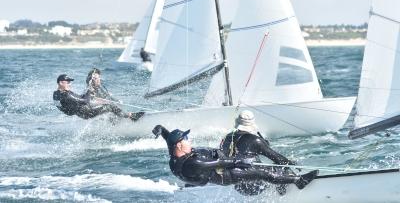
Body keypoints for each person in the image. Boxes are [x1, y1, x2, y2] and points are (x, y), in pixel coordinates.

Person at [152, 125, 318, 193]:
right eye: (186, 140)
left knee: (255, 169)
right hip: (225, 174)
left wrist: (162, 129)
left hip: (215, 169)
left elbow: (168, 138)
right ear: (180, 146)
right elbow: (221, 163)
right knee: (261, 172)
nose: (189, 141)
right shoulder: (193, 163)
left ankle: (281, 181)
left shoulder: (174, 152)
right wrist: (240, 162)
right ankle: (298, 180)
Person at [220, 110, 296, 195]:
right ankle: (283, 195)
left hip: (238, 186)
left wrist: (261, 145)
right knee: (280, 167)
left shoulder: (227, 137)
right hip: (255, 185)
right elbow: (280, 160)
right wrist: (292, 163)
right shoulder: (254, 140)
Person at [53, 73, 144, 121]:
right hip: (86, 112)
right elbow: (85, 101)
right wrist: (89, 90)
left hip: (81, 112)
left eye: (70, 82)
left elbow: (75, 101)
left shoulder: (56, 94)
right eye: (68, 82)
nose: (70, 84)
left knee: (106, 103)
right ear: (61, 83)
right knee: (109, 106)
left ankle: (115, 119)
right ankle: (132, 116)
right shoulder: (67, 95)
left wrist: (87, 95)